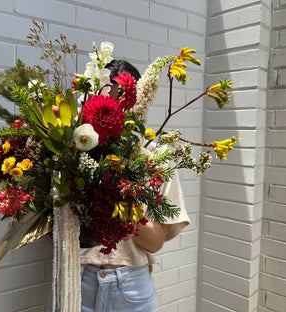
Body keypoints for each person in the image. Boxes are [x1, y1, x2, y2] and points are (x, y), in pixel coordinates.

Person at [78, 59, 191, 311]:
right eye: (105, 98)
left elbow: (154, 242)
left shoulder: (154, 156)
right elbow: (55, 229)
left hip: (130, 287)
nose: (112, 110)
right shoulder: (77, 150)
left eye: (122, 101)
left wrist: (122, 204)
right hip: (77, 281)